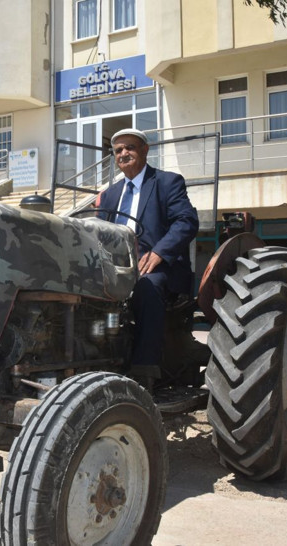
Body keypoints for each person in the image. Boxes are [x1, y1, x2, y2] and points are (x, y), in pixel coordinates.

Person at [98, 128, 199, 385]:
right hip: (114, 267)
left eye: (130, 147)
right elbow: (96, 233)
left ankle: (145, 371)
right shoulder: (110, 195)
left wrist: (159, 252)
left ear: (145, 150)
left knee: (146, 286)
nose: (124, 154)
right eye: (118, 150)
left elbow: (186, 222)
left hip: (156, 267)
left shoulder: (167, 182)